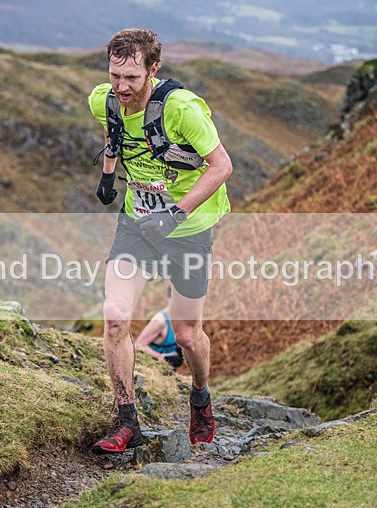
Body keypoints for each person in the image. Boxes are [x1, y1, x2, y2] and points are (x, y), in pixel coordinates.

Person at [88, 28, 232, 454]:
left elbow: (222, 166)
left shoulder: (182, 109)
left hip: (187, 229)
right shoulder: (103, 100)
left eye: (132, 78)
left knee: (186, 334)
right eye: (115, 75)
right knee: (115, 317)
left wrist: (175, 214)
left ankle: (200, 396)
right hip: (137, 225)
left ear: (153, 69)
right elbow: (114, 132)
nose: (121, 87)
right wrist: (108, 175)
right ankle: (127, 422)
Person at [135, 286, 184, 371]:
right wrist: (161, 357)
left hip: (167, 367)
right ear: (169, 299)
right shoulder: (160, 321)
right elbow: (139, 345)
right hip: (152, 367)